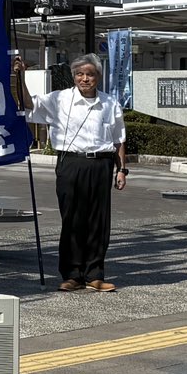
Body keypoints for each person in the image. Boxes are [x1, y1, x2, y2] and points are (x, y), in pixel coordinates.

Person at [19, 54, 128, 292]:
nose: (84, 79)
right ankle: (72, 274)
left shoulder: (110, 103)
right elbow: (29, 104)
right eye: (80, 74)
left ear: (98, 77)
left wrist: (121, 170)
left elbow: (118, 139)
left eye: (90, 74)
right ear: (73, 76)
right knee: (72, 219)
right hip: (71, 162)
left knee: (98, 221)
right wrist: (21, 76)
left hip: (101, 163)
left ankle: (95, 274)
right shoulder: (59, 98)